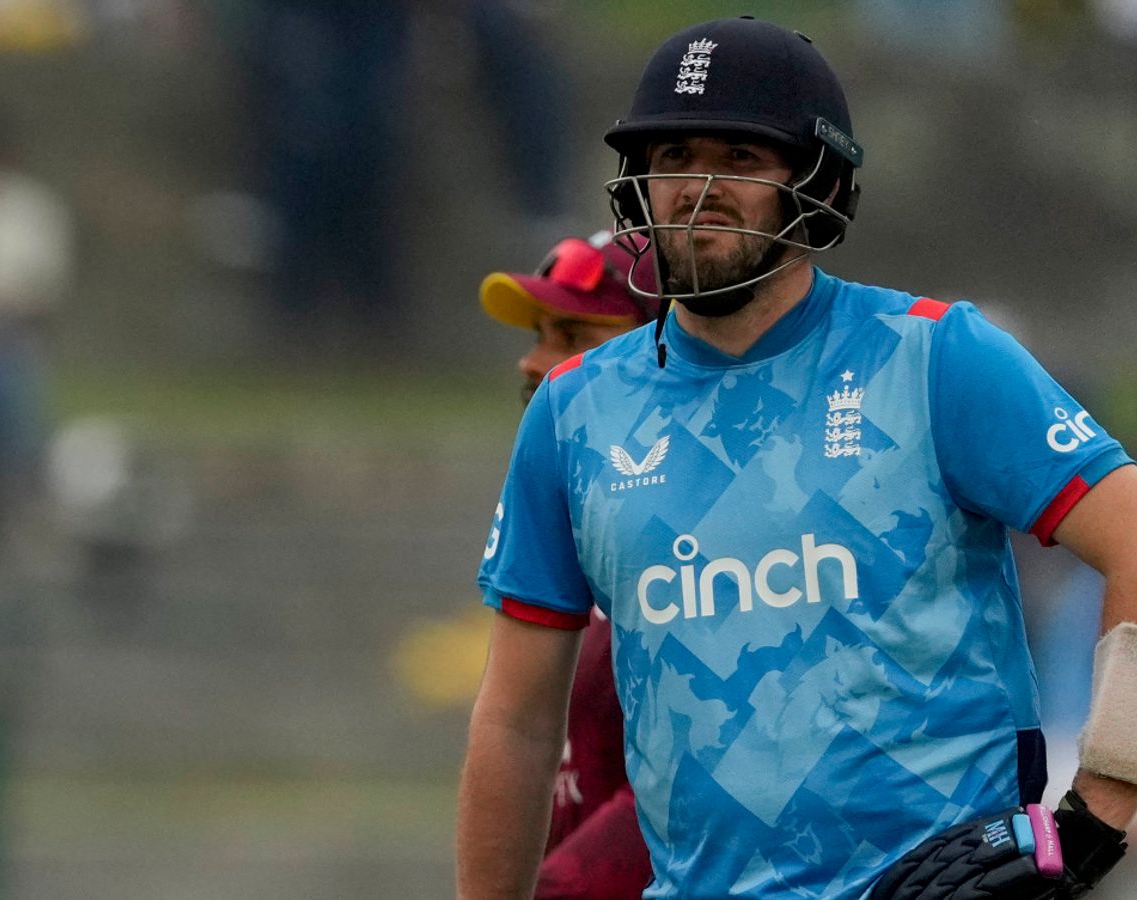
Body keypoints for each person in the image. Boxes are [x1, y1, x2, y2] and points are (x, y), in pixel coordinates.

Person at [460, 16, 1134, 900]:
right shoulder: (572, 411)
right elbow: (513, 721)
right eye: (672, 156)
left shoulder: (936, 357)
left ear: (816, 180)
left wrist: (1099, 812)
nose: (696, 187)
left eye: (739, 159)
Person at [478, 232, 657, 899]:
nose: (532, 362)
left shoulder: (712, 552)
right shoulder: (575, 532)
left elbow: (696, 796)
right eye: (539, 333)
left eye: (570, 334)